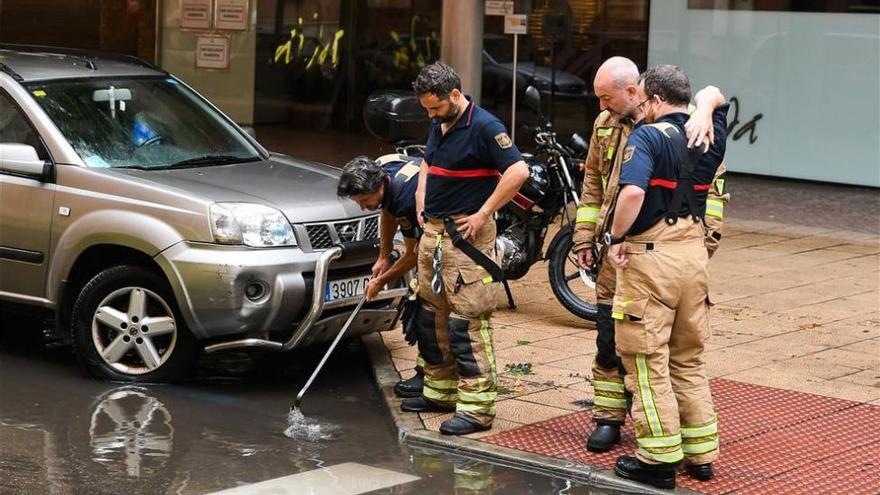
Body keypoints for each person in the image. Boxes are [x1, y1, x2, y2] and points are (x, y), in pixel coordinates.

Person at [572, 57, 727, 453]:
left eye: (607, 98)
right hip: (620, 254)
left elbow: (710, 190)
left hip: (646, 252)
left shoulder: (688, 126)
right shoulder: (605, 126)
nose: (602, 107)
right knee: (609, 338)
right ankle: (608, 417)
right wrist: (584, 238)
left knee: (649, 352)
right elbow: (593, 183)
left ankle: (659, 444)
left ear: (636, 92)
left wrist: (705, 240)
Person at [404, 62, 529, 435]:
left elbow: (518, 171)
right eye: (426, 109)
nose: (431, 115)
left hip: (466, 242)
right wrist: (422, 196)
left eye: (435, 108)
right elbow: (428, 161)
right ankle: (440, 392)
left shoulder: (486, 127)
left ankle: (476, 410)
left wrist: (482, 213)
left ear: (455, 95)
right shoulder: (440, 123)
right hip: (435, 236)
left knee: (465, 325)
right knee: (431, 319)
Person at [336, 154, 426, 397]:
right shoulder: (384, 169)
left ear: (380, 185)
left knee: (427, 310)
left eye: (365, 200)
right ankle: (430, 374)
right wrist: (383, 256)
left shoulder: (407, 197)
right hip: (424, 223)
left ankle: (431, 377)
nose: (362, 206)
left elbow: (413, 255)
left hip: (455, 232)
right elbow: (387, 210)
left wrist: (381, 281)